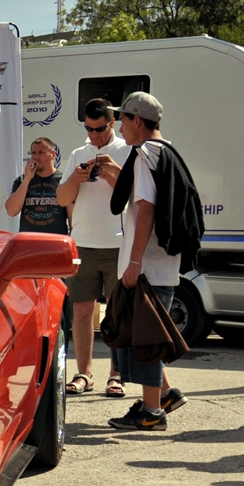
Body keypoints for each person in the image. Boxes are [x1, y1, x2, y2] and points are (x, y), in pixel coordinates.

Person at [94, 92, 186, 432]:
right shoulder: (166, 151)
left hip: (146, 265)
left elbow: (145, 208)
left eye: (122, 118)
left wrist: (134, 262)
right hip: (161, 262)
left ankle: (151, 412)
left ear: (136, 120)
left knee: (146, 338)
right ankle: (164, 394)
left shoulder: (145, 155)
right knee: (149, 333)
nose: (119, 124)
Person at [56, 99, 132, 396]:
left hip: (117, 243)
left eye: (99, 129)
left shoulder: (126, 151)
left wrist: (112, 171)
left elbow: (133, 195)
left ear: (112, 123)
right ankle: (83, 373)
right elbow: (62, 199)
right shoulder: (78, 153)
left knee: (116, 314)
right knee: (82, 311)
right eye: (88, 129)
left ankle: (116, 374)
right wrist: (76, 177)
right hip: (83, 243)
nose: (93, 136)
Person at [5, 137, 66, 233]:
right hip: (29, 241)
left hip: (55, 241)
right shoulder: (22, 180)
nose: (36, 157)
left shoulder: (63, 180)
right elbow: (11, 211)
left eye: (41, 153)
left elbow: (72, 216)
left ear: (53, 154)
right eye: (33, 153)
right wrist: (27, 179)